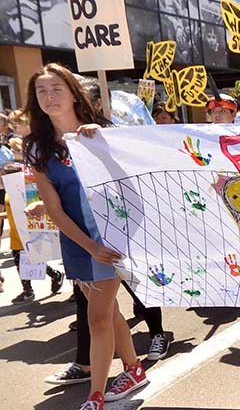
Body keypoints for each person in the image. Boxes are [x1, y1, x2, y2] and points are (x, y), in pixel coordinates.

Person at [24, 64, 148, 408]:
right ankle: (134, 368)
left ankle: (96, 395)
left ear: (73, 94)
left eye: (56, 89)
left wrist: (105, 139)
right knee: (109, 313)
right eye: (41, 91)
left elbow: (134, 176)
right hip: (79, 243)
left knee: (97, 318)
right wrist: (88, 246)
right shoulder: (37, 147)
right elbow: (55, 209)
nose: (49, 97)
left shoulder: (101, 134)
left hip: (112, 239)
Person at [3, 160, 65, 303]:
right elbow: (11, 211)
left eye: (3, 174)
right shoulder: (8, 191)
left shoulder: (27, 190)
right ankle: (40, 283)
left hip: (28, 233)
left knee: (33, 260)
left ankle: (33, 287)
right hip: (15, 233)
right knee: (22, 263)